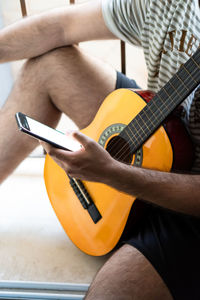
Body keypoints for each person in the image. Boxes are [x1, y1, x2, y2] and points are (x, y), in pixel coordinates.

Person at [0, 0, 200, 298]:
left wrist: (113, 174)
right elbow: (60, 27)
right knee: (50, 65)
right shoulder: (169, 3)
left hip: (191, 211)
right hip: (162, 128)